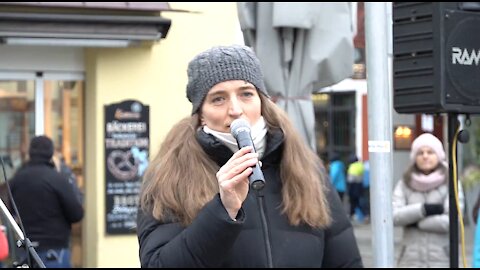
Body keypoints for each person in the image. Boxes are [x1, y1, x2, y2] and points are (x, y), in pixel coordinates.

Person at [136, 45, 363, 268]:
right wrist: (222, 211)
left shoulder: (305, 167)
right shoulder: (169, 176)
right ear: (201, 115)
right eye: (218, 99)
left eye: (246, 94)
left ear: (262, 103)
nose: (235, 109)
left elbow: (344, 260)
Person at [9, 135, 84, 268]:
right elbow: (76, 214)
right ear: (51, 153)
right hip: (54, 251)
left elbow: (11, 212)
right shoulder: (57, 179)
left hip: (26, 249)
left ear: (30, 152)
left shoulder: (17, 179)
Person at [392, 133, 464, 268]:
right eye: (420, 153)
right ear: (414, 157)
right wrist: (423, 209)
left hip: (442, 259)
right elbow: (394, 216)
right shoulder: (404, 182)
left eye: (430, 152)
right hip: (410, 260)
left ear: (439, 155)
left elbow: (453, 221)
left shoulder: (451, 182)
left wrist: (416, 222)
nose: (425, 156)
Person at [347, 154, 364, 221]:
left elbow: (350, 179)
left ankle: (352, 214)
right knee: (358, 201)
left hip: (353, 186)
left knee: (352, 201)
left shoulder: (352, 166)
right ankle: (362, 214)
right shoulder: (361, 165)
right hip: (360, 185)